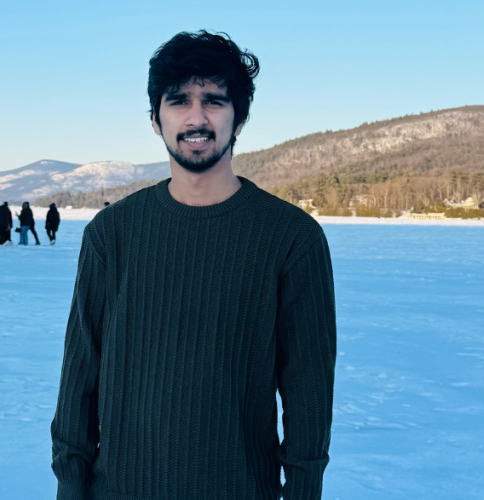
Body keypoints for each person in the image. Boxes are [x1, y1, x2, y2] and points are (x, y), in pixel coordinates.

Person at [51, 31, 336, 500]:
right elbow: (80, 376)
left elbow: (308, 391)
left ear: (238, 118)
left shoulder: (293, 239)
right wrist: (70, 484)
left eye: (215, 101)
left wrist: (304, 490)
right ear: (155, 119)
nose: (197, 117)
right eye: (179, 100)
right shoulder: (111, 234)